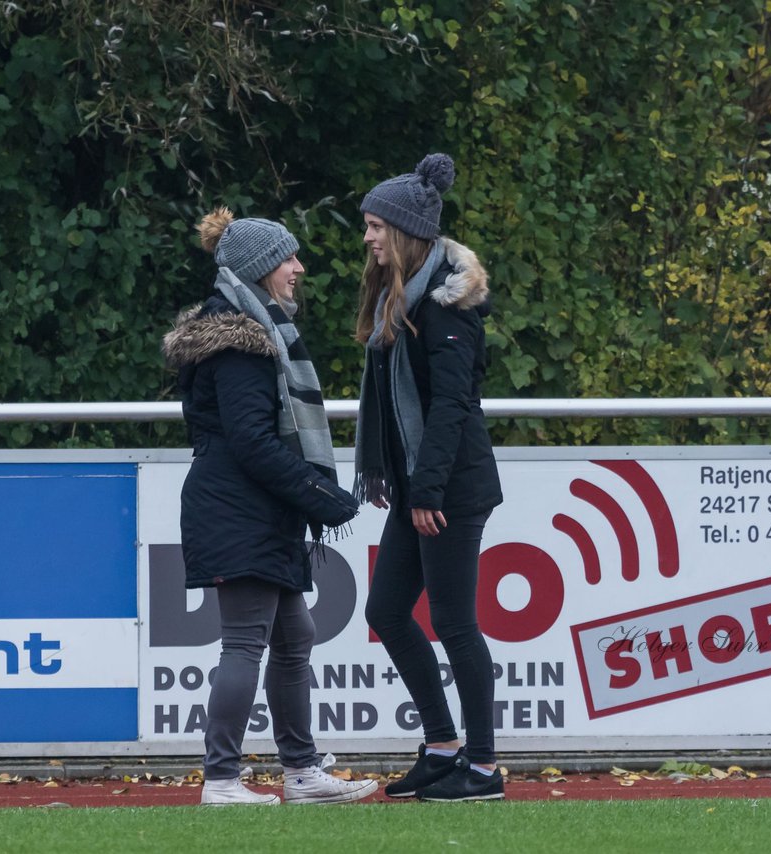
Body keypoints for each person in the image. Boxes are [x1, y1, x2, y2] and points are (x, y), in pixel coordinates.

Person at [163, 207, 377, 807]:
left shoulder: (251, 333)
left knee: (294, 635)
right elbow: (251, 440)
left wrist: (308, 496)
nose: (298, 268)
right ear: (259, 269)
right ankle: (223, 780)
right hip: (238, 508)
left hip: (254, 509)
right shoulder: (241, 342)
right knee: (245, 642)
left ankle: (302, 771)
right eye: (288, 258)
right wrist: (317, 494)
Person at [353, 153, 505, 802]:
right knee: (386, 610)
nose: (368, 237)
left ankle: (485, 767)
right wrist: (395, 473)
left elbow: (450, 408)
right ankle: (443, 747)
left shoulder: (444, 302)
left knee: (454, 622)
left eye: (376, 226)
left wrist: (428, 491)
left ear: (407, 230)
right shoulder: (405, 290)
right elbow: (402, 403)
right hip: (421, 483)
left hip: (448, 487)